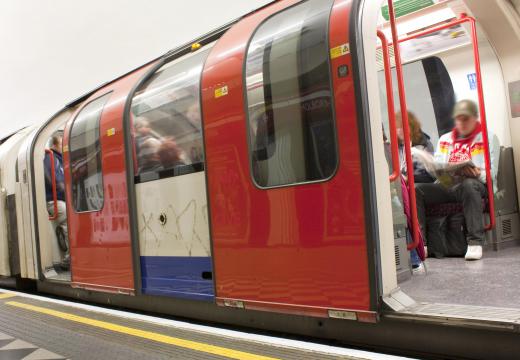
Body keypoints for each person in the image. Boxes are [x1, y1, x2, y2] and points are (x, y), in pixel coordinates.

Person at [415, 100, 499, 261]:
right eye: (458, 119)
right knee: (417, 190)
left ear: (475, 118)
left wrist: (476, 174)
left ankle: (475, 241)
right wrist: (440, 171)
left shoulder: (488, 137)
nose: (461, 123)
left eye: (465, 118)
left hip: (476, 184)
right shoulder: (445, 139)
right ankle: (422, 244)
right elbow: (439, 168)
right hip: (449, 185)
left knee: (468, 185)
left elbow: (492, 173)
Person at [395, 111, 433, 274]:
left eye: (404, 127)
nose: (400, 131)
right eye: (398, 128)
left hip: (421, 182)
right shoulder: (394, 147)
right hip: (403, 183)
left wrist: (408, 177)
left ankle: (418, 247)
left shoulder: (424, 143)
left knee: (410, 194)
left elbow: (430, 173)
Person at [44, 132, 69, 269]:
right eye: (62, 144)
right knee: (69, 220)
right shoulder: (50, 157)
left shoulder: (61, 159)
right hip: (55, 200)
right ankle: (68, 259)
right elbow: (53, 179)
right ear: (54, 145)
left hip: (63, 198)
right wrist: (62, 187)